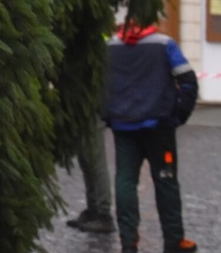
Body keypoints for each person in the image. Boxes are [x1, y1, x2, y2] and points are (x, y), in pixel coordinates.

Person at [102, 21, 200, 253]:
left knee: (125, 181)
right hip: (159, 126)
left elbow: (96, 84)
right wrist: (180, 115)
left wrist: (107, 112)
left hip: (123, 124)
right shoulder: (164, 44)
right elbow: (188, 81)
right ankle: (174, 241)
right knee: (166, 181)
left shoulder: (109, 46)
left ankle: (128, 242)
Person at [64, 114, 115, 233]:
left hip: (93, 110)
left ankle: (104, 214)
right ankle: (93, 209)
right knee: (86, 161)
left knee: (96, 162)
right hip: (82, 112)